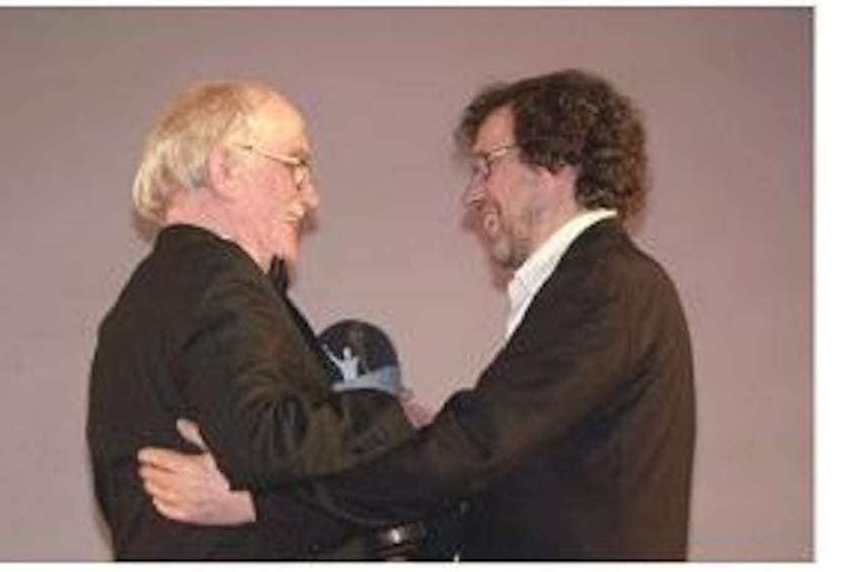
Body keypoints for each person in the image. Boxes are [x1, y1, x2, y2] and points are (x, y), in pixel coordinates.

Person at [137, 68, 697, 560]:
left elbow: (471, 451)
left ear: (556, 161)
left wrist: (262, 505)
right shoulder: (600, 283)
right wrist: (422, 439)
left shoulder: (605, 286)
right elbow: (501, 462)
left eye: (486, 165)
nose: (472, 195)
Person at [86, 80, 438, 559]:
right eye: (296, 165)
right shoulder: (218, 281)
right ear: (226, 169)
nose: (310, 196)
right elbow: (266, 441)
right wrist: (390, 414)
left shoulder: (146, 300)